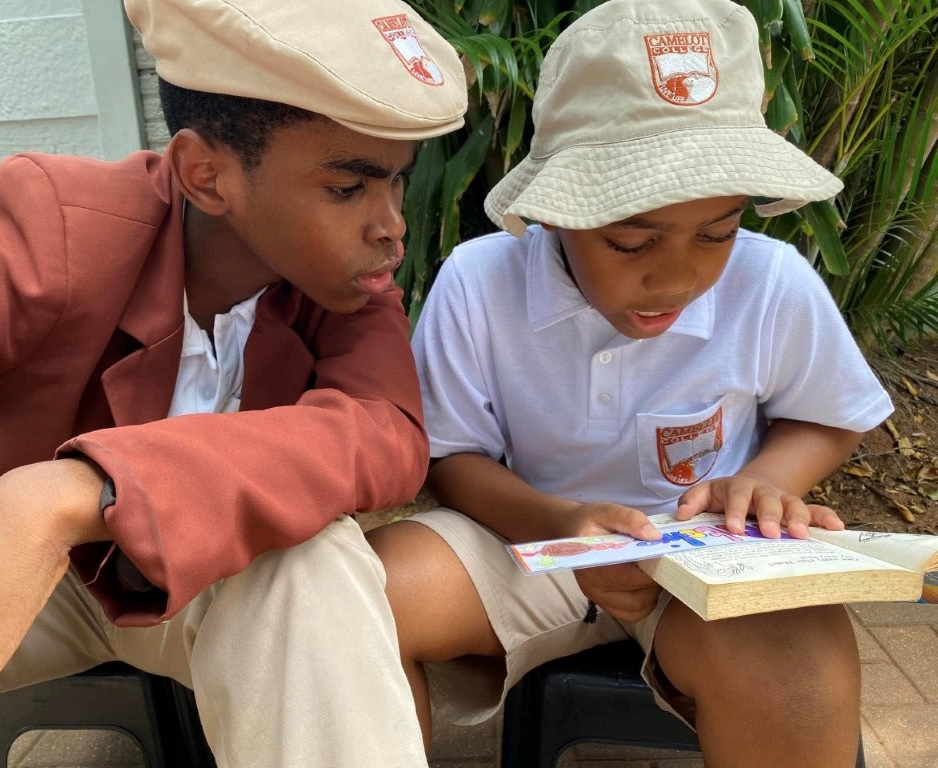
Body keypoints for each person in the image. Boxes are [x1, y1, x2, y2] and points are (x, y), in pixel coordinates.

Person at [0, 1, 467, 766]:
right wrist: (13, 516)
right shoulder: (56, 222)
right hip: (5, 559)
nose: (392, 227)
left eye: (397, 186)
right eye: (348, 189)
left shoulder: (348, 286)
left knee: (313, 563)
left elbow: (386, 435)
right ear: (206, 176)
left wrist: (67, 494)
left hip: (209, 581)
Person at [366, 1, 894, 765]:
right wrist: (562, 524)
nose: (678, 275)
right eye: (630, 239)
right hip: (526, 538)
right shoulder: (479, 283)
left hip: (706, 559)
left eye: (717, 231)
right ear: (552, 214)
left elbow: (829, 415)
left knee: (801, 667)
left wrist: (764, 481)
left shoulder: (771, 280)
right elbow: (449, 458)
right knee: (351, 602)